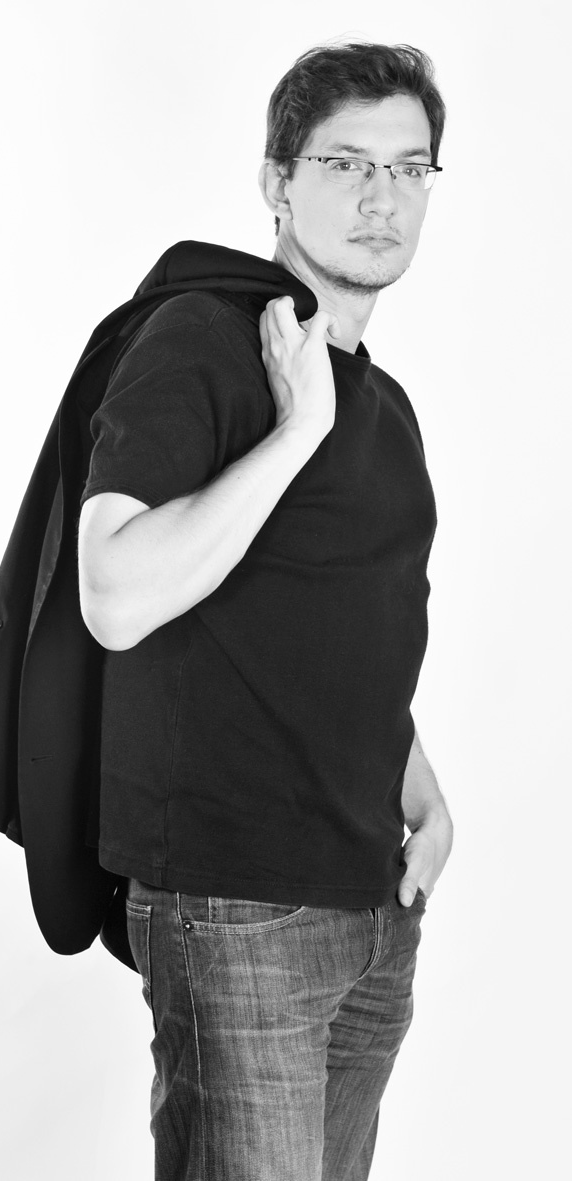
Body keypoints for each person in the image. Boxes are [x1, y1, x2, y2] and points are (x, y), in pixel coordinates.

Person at [77, 41, 454, 1181]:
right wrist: (296, 434)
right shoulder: (199, 338)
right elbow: (115, 594)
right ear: (276, 182)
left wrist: (420, 790)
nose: (381, 198)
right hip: (238, 908)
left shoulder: (385, 403)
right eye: (346, 163)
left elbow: (334, 627)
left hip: (371, 901)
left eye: (409, 168)